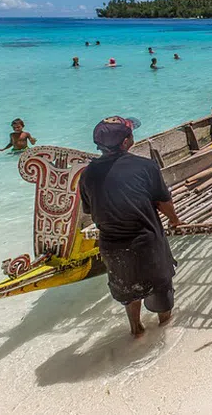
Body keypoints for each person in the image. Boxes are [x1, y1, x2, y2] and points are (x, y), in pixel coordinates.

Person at [79, 116, 181, 338]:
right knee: (161, 292)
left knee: (128, 291)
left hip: (112, 246)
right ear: (126, 142)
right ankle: (164, 334)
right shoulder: (145, 166)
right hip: (146, 243)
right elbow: (162, 202)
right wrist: (174, 220)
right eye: (130, 133)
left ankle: (136, 331)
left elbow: (90, 209)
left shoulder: (87, 174)